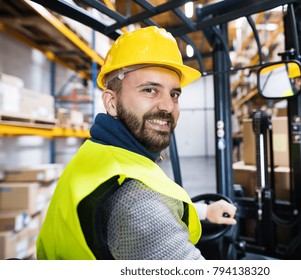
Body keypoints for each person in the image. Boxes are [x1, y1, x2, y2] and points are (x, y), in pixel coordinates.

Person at [36, 26, 237, 260]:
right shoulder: (135, 200)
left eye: (174, 94)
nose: (168, 106)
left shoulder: (101, 153)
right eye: (150, 90)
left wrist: (203, 211)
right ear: (111, 102)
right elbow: (146, 213)